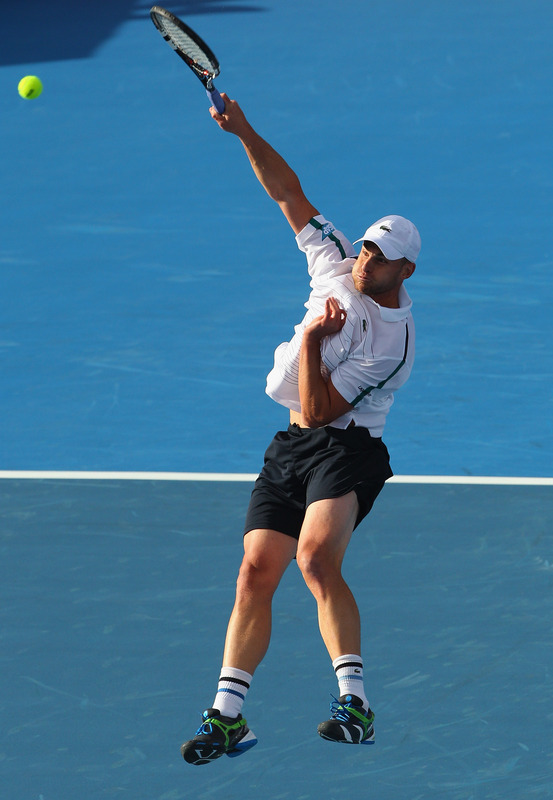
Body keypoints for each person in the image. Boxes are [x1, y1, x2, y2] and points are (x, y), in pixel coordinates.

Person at [180, 95, 420, 765]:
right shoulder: (336, 261)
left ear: (407, 271)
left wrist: (313, 344)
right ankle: (227, 718)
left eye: (382, 257)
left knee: (314, 560)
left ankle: (356, 704)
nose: (366, 261)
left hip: (346, 449)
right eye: (368, 246)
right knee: (255, 571)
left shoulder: (392, 342)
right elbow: (289, 193)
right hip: (289, 445)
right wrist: (243, 130)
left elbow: (321, 413)